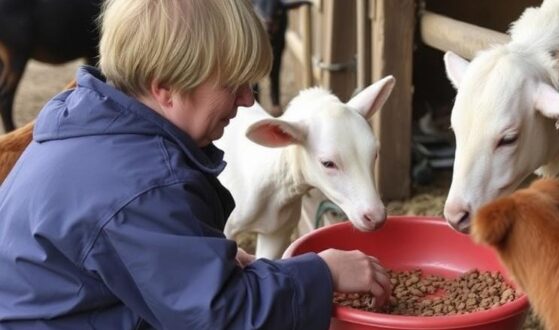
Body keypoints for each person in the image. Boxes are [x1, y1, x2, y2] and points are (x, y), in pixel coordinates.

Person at [0, 0, 391, 329]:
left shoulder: (91, 130)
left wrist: (198, 252)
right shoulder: (143, 187)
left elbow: (126, 262)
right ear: (166, 88)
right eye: (233, 84)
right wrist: (323, 274)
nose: (244, 101)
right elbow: (221, 315)